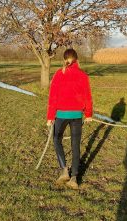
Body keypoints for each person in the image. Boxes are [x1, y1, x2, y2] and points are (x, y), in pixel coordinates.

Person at [46, 48, 93, 190]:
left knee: (56, 139)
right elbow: (87, 97)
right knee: (75, 145)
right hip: (77, 115)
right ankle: (74, 178)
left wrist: (50, 117)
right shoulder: (83, 75)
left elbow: (53, 97)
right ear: (77, 59)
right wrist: (88, 114)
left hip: (61, 115)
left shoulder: (59, 74)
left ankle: (64, 170)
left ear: (64, 59)